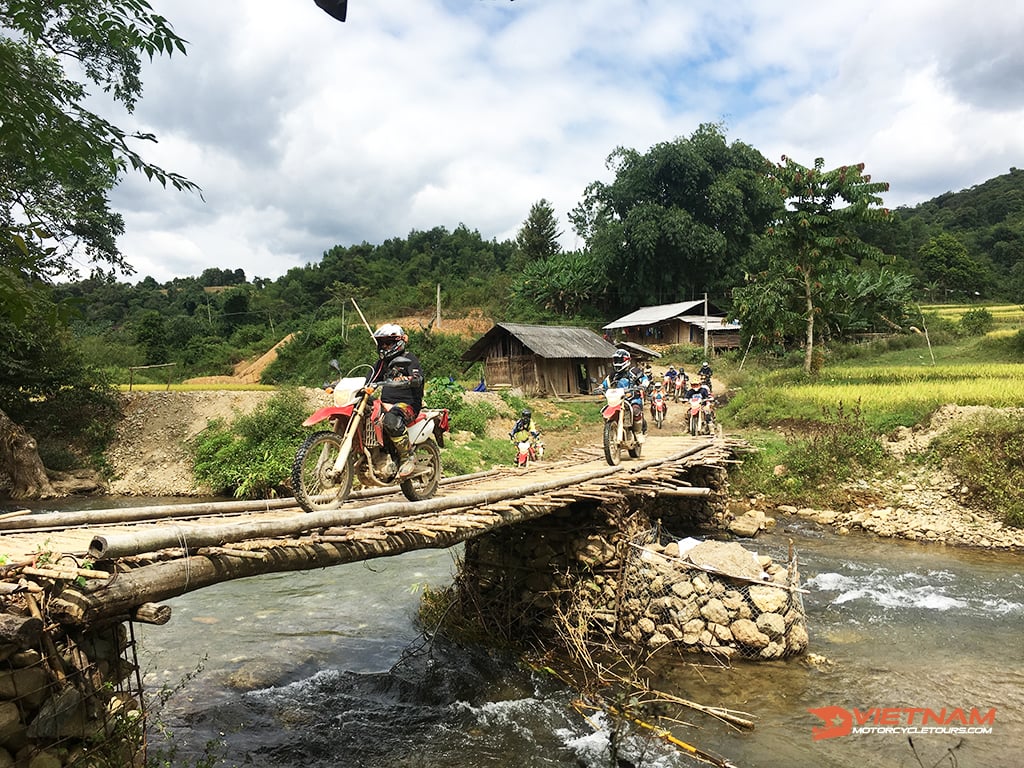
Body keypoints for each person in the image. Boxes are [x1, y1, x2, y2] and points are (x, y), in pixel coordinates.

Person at [367, 323, 424, 478]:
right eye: (382, 343)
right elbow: (368, 379)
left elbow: (418, 377)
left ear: (398, 342)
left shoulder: (409, 359)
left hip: (408, 405)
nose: (384, 346)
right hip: (385, 403)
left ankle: (407, 456)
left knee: (391, 420)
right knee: (362, 407)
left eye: (388, 343)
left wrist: (408, 379)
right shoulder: (380, 364)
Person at [602, 349, 649, 435]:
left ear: (626, 360)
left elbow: (644, 378)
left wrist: (644, 384)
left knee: (635, 411)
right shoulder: (614, 375)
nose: (617, 362)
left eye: (619, 360)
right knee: (606, 410)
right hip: (618, 400)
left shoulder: (634, 371)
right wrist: (600, 387)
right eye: (616, 360)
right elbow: (605, 383)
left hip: (633, 399)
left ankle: (638, 433)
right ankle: (611, 432)